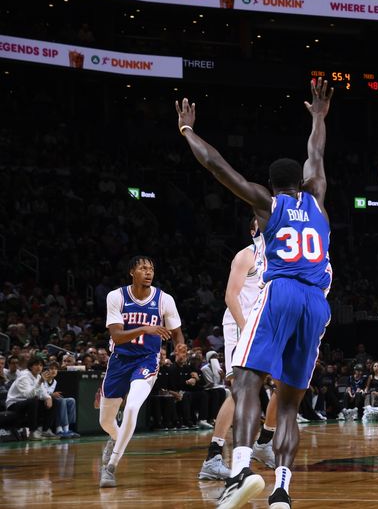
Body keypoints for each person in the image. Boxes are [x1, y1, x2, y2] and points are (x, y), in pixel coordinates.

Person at [178, 77, 333, 509]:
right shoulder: (317, 198)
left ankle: (241, 470)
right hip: (317, 303)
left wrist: (188, 131)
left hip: (281, 290)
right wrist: (318, 117)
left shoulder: (268, 204)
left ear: (271, 185)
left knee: (246, 381)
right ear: (301, 183)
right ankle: (282, 490)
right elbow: (316, 155)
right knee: (288, 403)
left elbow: (217, 166)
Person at [199, 218, 278, 481]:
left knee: (285, 382)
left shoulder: (279, 258)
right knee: (239, 392)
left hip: (264, 328)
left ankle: (265, 441)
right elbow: (230, 296)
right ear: (253, 230)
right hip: (240, 325)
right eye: (262, 223)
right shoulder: (246, 255)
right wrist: (247, 329)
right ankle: (214, 456)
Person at [99, 255, 184, 488]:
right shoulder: (116, 297)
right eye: (143, 268)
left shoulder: (164, 299)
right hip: (119, 360)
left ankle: (110, 466)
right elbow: (116, 335)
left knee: (133, 407)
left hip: (147, 359)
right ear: (132, 272)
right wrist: (145, 328)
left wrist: (180, 346)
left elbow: (176, 331)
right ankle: (116, 440)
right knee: (106, 422)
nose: (149, 272)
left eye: (152, 269)